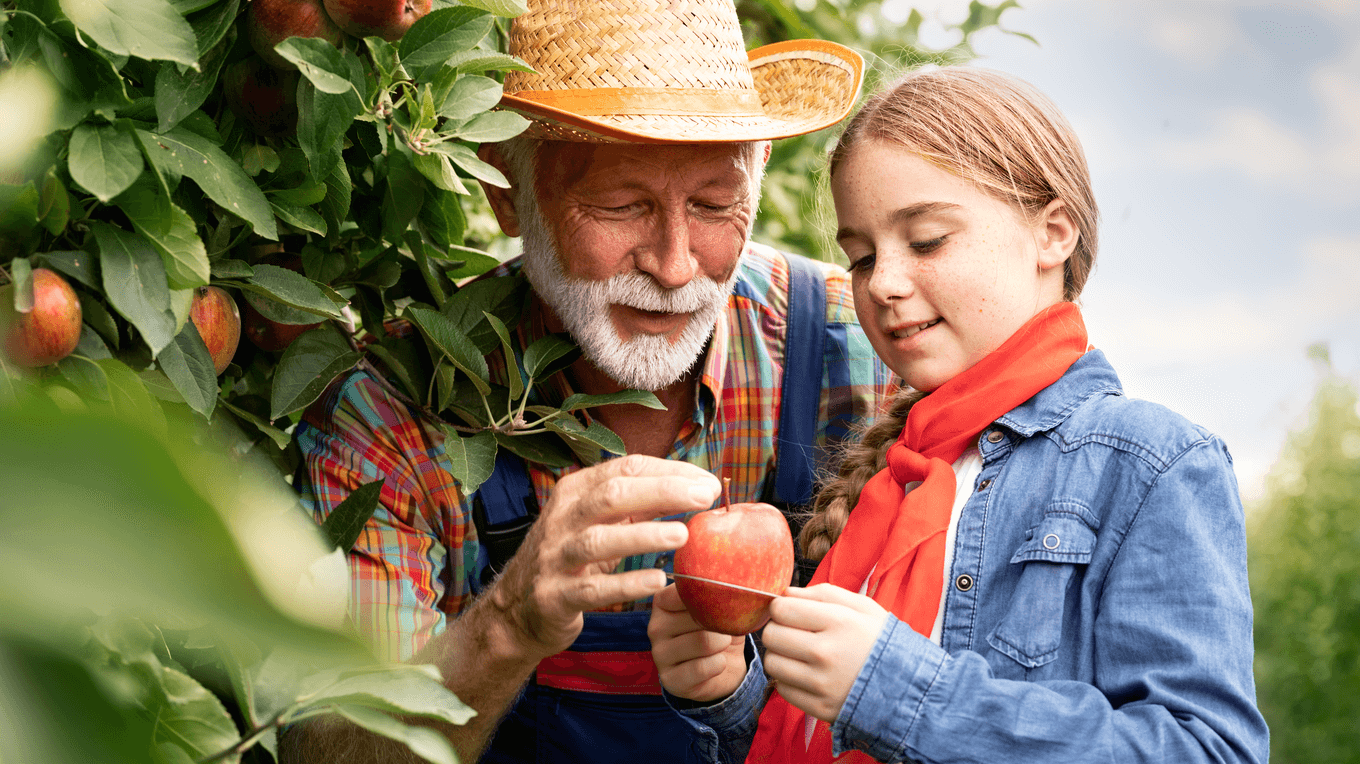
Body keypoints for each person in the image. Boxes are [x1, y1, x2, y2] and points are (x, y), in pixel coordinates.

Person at [277, 1, 894, 763]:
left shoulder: (857, 350)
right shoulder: (395, 412)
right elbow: (330, 748)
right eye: (620, 205)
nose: (675, 266)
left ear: (759, 171)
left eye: (713, 204)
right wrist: (507, 623)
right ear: (508, 192)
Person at [648, 66, 1271, 764]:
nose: (883, 282)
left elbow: (1205, 750)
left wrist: (897, 688)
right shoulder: (888, 475)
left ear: (1053, 233)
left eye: (925, 241)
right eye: (860, 257)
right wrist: (728, 693)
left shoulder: (1150, 464)